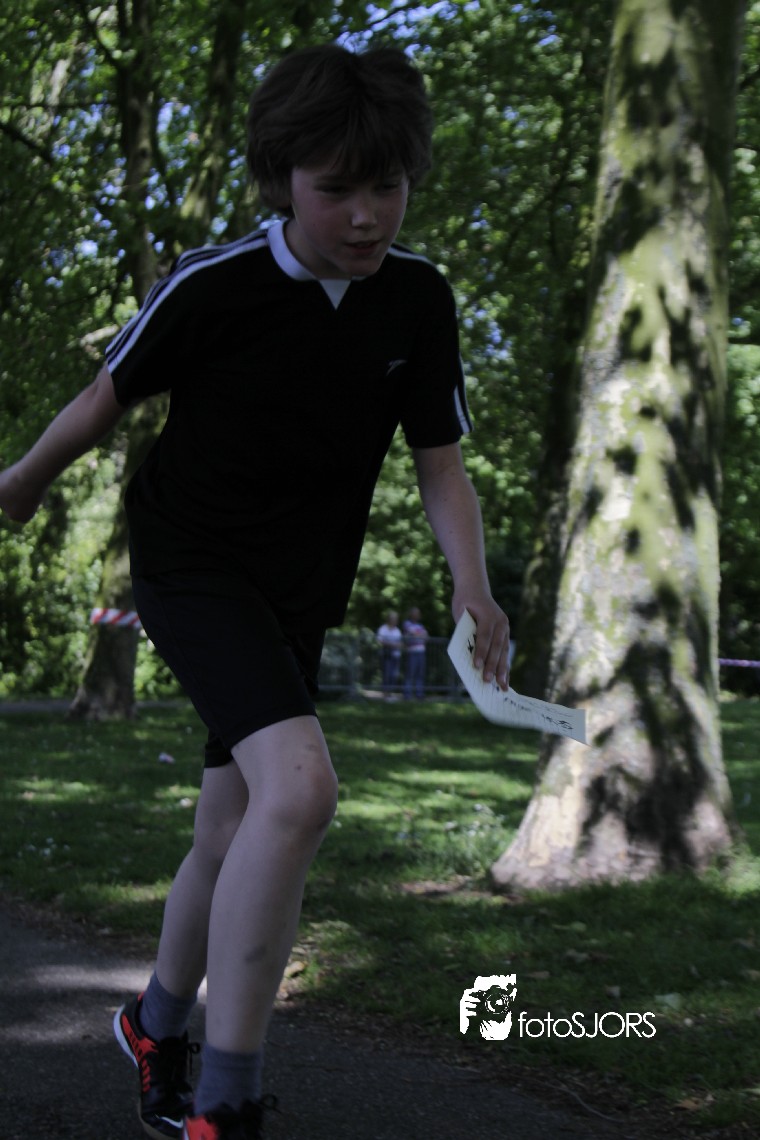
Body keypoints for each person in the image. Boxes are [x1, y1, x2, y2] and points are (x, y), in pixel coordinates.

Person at [0, 44, 510, 1140]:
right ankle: (226, 1100)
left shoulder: (417, 300)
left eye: (388, 187)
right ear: (282, 180)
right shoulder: (213, 282)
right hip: (190, 561)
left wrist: (474, 587)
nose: (366, 216)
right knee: (302, 790)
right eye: (337, 189)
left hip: (296, 585)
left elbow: (440, 462)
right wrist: (22, 483)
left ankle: (154, 1026)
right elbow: (104, 396)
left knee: (232, 825)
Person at [402, 606, 429, 699]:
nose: (418, 615)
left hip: (421, 652)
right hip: (412, 652)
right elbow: (414, 633)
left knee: (420, 674)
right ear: (411, 614)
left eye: (418, 613)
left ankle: (419, 694)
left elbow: (426, 637)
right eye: (416, 613)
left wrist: (418, 635)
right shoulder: (407, 624)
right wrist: (420, 635)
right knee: (410, 673)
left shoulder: (420, 626)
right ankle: (407, 694)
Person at [376, 610, 403, 692]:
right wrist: (392, 645)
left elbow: (400, 643)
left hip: (396, 655)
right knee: (386, 674)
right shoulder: (383, 629)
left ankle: (390, 692)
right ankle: (385, 692)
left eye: (396, 619)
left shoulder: (397, 630)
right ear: (389, 619)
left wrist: (398, 645)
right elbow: (379, 641)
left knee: (394, 675)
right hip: (386, 655)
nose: (395, 621)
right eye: (394, 619)